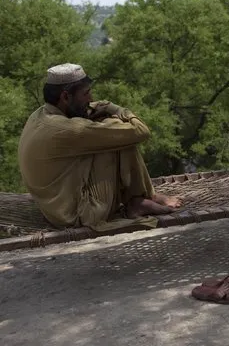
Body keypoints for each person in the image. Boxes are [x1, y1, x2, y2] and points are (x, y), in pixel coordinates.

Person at [18, 63, 182, 230]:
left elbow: (81, 118)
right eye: (86, 93)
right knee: (116, 130)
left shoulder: (40, 115)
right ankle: (138, 200)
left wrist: (96, 111)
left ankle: (141, 199)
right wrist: (115, 109)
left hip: (54, 206)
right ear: (65, 97)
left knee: (108, 131)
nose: (91, 99)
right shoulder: (67, 130)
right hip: (77, 214)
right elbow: (141, 131)